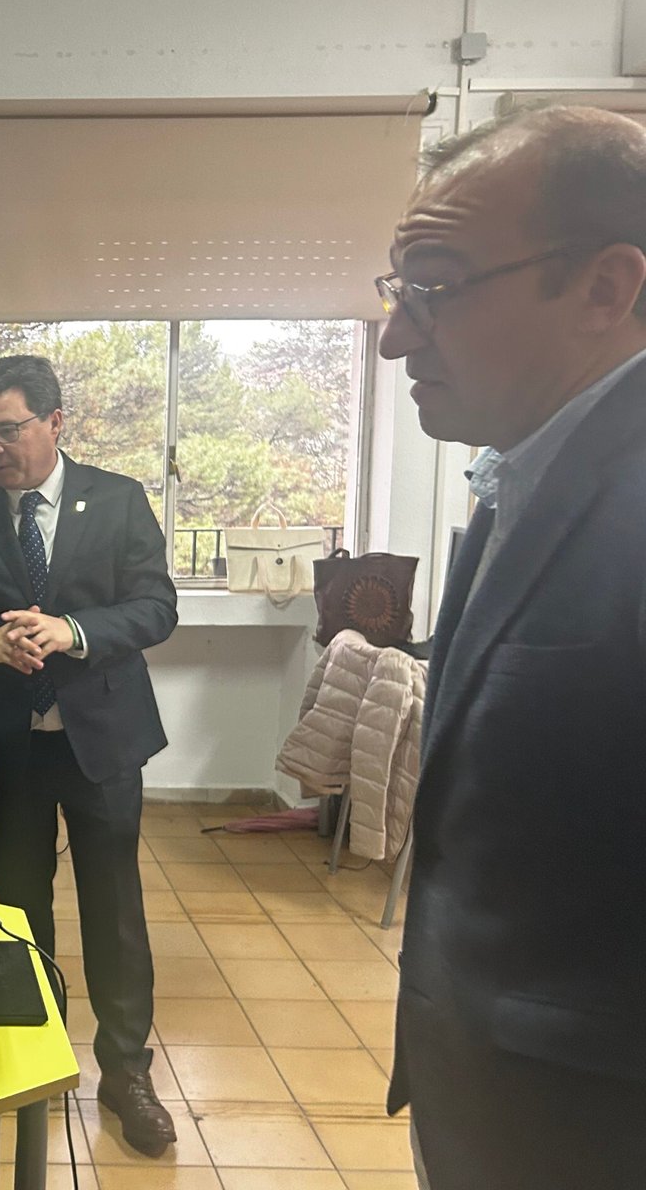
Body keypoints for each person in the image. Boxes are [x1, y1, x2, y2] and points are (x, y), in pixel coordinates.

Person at [375, 105, 646, 1190]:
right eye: (397, 292)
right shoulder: (517, 471)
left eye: (433, 287)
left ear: (603, 288)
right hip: (498, 1102)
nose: (395, 334)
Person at [0, 355, 179, 1156]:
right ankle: (37, 1053)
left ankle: (127, 1071)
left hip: (101, 739)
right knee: (20, 906)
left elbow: (157, 607)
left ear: (54, 422)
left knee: (115, 909)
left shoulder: (120, 498)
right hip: (9, 748)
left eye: (8, 429)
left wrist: (76, 631)